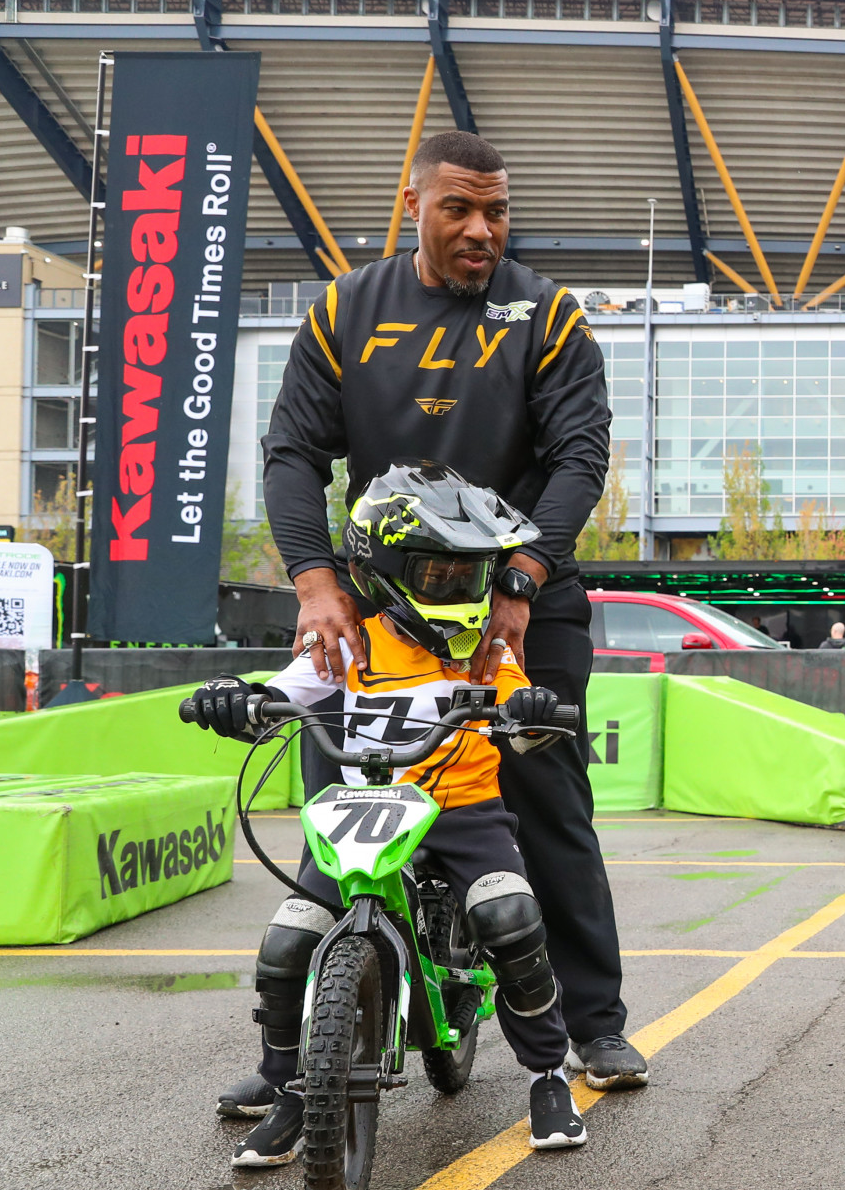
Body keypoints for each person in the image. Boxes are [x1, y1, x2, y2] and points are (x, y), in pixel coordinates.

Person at [226, 127, 646, 1119]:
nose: (480, 229)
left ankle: (594, 1022)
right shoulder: (344, 310)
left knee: (543, 787)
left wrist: (526, 575)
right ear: (412, 202)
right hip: (379, 607)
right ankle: (299, 1057)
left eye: (496, 210)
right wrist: (314, 578)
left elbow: (580, 455)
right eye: (459, 208)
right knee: (336, 793)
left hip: (518, 598)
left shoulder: (546, 316)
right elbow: (293, 452)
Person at [189, 466, 589, 1162]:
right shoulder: (354, 644)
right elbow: (286, 690)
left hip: (464, 813)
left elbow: (524, 727)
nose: (461, 591)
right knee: (287, 945)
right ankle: (287, 1088)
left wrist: (525, 711)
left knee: (510, 918)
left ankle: (549, 1073)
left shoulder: (486, 652)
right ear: (383, 573)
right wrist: (240, 699)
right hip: (358, 813)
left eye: (471, 576)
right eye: (439, 575)